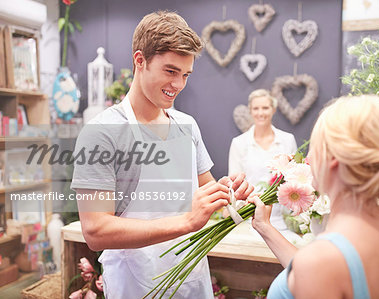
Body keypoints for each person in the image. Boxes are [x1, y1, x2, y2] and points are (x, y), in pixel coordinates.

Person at [71, 11, 253, 299]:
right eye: (170, 71)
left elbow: (207, 190)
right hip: (136, 283)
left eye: (185, 75)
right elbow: (96, 230)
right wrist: (186, 222)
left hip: (191, 278)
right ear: (139, 60)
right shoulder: (102, 133)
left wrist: (229, 194)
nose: (179, 84)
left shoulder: (187, 126)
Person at [247, 95, 379, 298]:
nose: (308, 158)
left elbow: (319, 268)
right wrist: (264, 227)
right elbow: (320, 273)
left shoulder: (321, 262)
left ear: (333, 160)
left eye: (314, 145)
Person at [229, 89, 297, 229]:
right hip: (248, 220)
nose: (260, 113)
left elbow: (294, 180)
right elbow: (234, 186)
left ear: (273, 109)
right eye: (256, 108)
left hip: (282, 221)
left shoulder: (287, 140)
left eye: (265, 108)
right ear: (250, 111)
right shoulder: (239, 143)